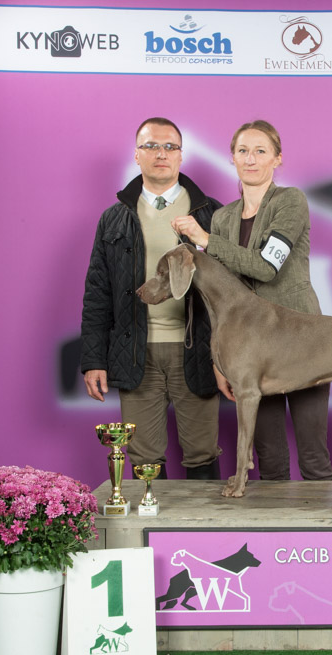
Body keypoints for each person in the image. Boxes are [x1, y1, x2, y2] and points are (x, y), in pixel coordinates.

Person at [171, 119, 332, 481]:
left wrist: (205, 240)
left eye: (261, 151)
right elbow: (218, 295)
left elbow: (265, 268)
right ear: (231, 158)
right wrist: (219, 360)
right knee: (269, 458)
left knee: (313, 455)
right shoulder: (222, 217)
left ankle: (320, 519)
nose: (251, 159)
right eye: (243, 151)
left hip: (303, 342)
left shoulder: (290, 201)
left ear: (278, 158)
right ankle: (276, 521)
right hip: (249, 350)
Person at [81, 117, 221, 479]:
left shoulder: (212, 213)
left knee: (203, 452)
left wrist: (229, 357)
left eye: (170, 147)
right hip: (135, 351)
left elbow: (231, 289)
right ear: (136, 155)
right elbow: (98, 293)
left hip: (198, 350)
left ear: (181, 156)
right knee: (143, 458)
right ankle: (151, 518)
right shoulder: (113, 219)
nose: (161, 154)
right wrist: (93, 360)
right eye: (151, 146)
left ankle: (205, 520)